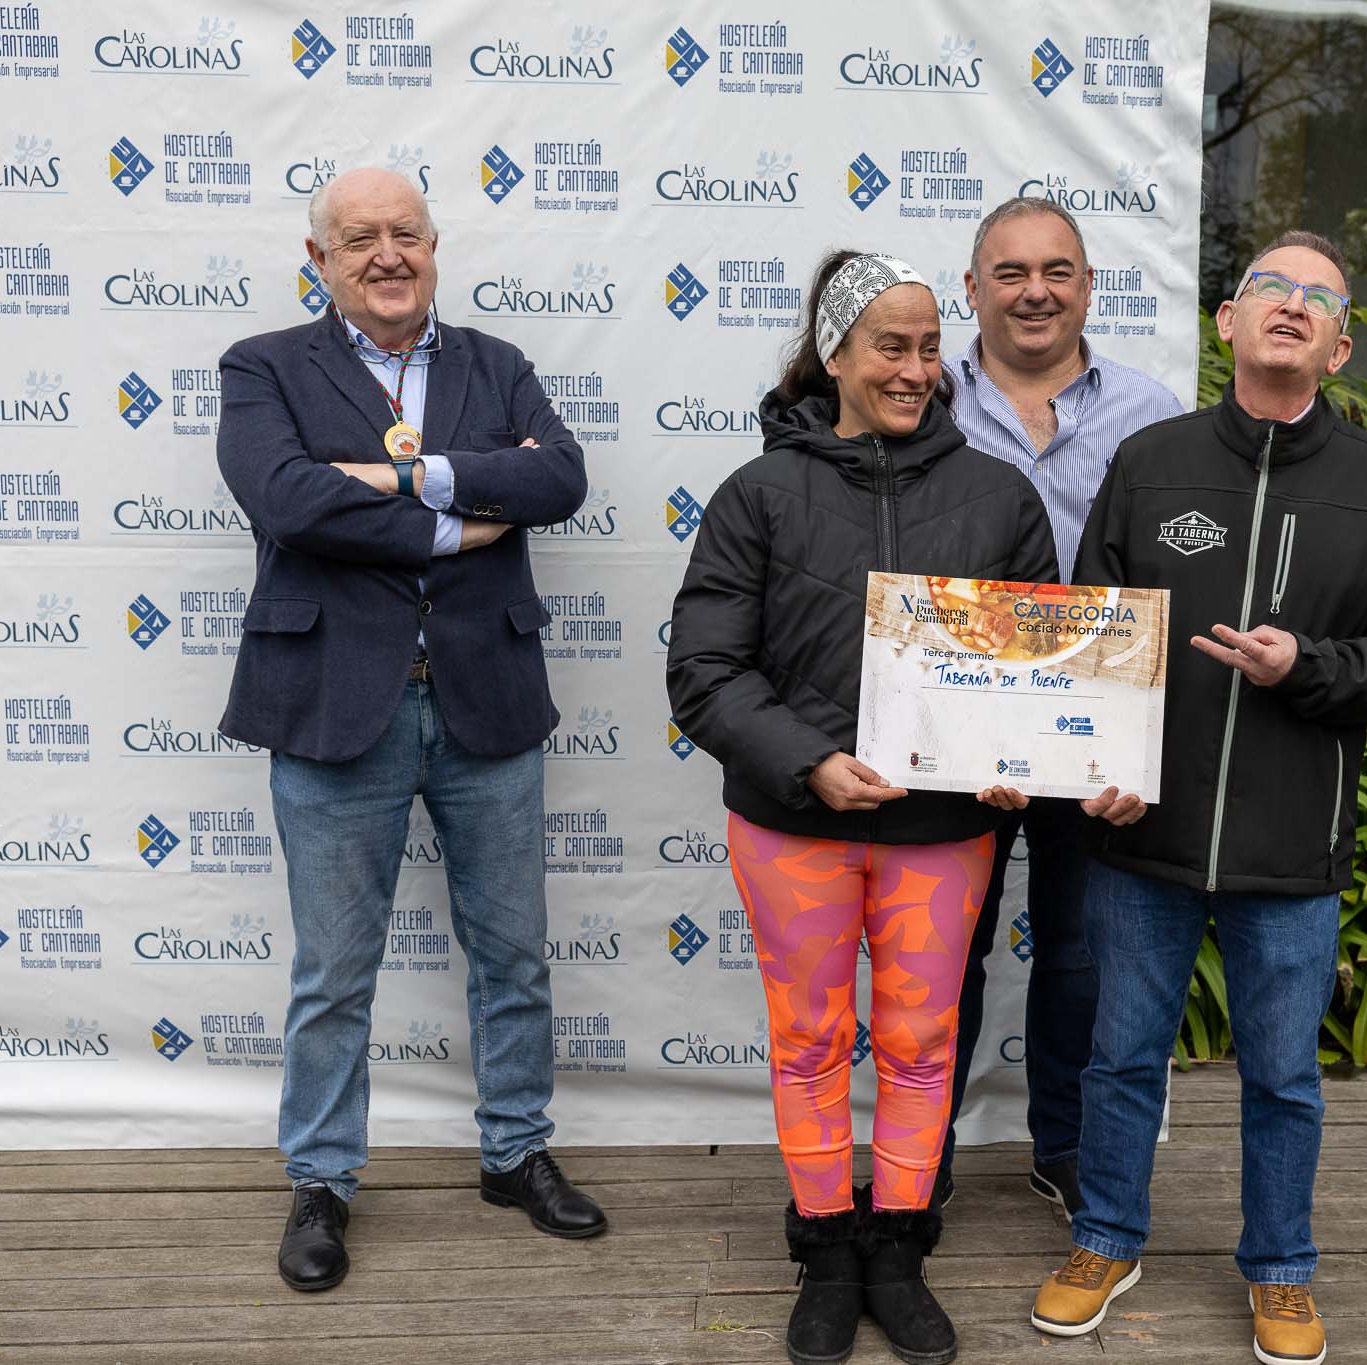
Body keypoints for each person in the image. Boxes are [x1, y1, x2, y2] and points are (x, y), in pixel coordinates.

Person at [1028, 231, 1367, 1365]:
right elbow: (1091, 638)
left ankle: (1279, 1268)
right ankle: (1104, 1238)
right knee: (1119, 1059)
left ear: (1340, 347)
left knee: (1282, 1076)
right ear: (1226, 321)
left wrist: (1303, 667)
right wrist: (1096, 770)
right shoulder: (1152, 461)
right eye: (1269, 286)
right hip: (1141, 837)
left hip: (1289, 843)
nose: (1290, 305)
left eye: (1317, 297)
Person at [666, 250, 1058, 1365]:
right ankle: (824, 1245)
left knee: (923, 1041)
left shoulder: (997, 495)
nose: (914, 369)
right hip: (795, 823)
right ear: (833, 353)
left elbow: (1032, 672)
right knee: (807, 1040)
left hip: (941, 831)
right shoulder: (757, 495)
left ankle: (897, 1244)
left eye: (930, 348)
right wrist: (811, 763)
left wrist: (1015, 755)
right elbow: (703, 669)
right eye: (890, 346)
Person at [216, 168, 600, 1294]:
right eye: (359, 239)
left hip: (485, 696)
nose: (387, 255)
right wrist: (455, 522)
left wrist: (400, 474)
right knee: (336, 969)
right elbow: (284, 499)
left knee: (513, 952)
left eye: (406, 235)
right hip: (336, 702)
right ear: (319, 257)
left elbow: (562, 480)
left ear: (435, 246)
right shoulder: (263, 367)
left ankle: (514, 1152)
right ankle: (323, 1178)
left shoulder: (499, 365)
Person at [939, 196, 1182, 1215]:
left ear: (1086, 286)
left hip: (1094, 731)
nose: (1033, 292)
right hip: (953, 727)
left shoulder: (1152, 412)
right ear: (971, 290)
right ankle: (920, 1152)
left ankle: (1065, 1146)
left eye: (1055, 272)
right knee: (942, 949)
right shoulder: (921, 394)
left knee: (1081, 953)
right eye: (1008, 273)